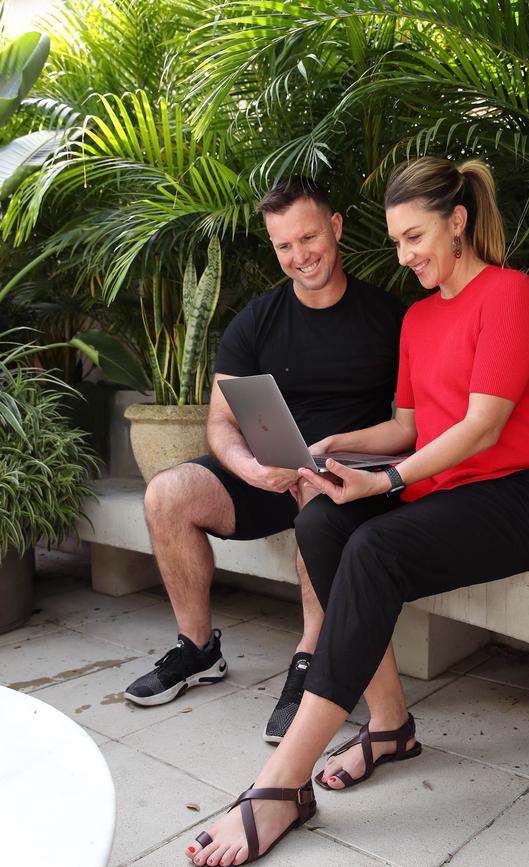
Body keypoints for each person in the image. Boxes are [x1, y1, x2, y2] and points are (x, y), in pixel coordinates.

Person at [183, 155, 529, 867]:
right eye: (397, 242)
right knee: (320, 520)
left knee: (374, 548)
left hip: (526, 495)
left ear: (457, 221)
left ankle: (282, 783)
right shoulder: (419, 319)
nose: (402, 257)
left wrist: (390, 481)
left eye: (413, 238)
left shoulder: (511, 294)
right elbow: (407, 423)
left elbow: (481, 427)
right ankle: (390, 726)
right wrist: (337, 445)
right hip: (454, 491)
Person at [124, 177, 405, 745]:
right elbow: (222, 422)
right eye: (284, 246)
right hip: (266, 470)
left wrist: (331, 458)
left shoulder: (390, 318)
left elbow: (412, 426)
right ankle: (198, 649)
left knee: (313, 499)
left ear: (337, 227)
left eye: (309, 238)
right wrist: (251, 469)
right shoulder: (256, 321)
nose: (300, 256)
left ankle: (310, 661)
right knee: (166, 493)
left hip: (343, 478)